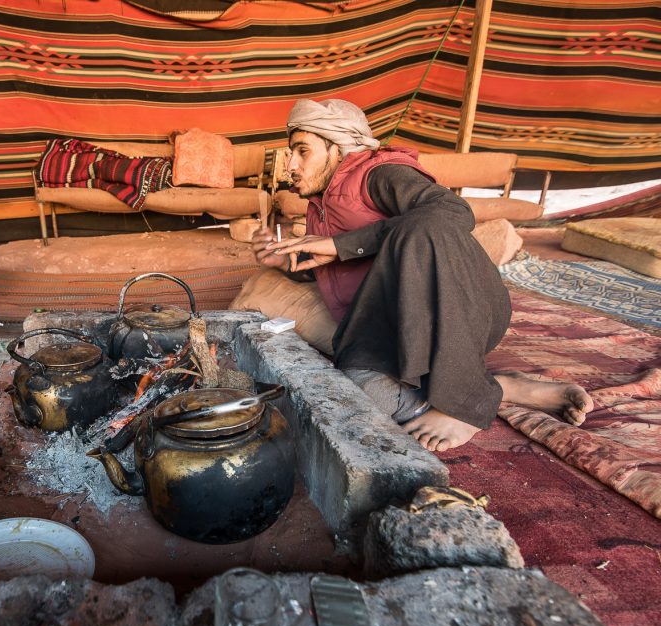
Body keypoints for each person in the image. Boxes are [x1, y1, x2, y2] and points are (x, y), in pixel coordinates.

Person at [252, 98, 592, 452]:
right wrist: (288, 262)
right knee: (361, 399)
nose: (290, 164)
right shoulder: (319, 204)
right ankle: (501, 387)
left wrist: (340, 244)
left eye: (302, 151)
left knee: (426, 223)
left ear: (336, 150)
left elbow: (451, 212)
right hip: (384, 328)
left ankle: (461, 404)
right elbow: (342, 271)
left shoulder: (379, 174)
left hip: (447, 309)